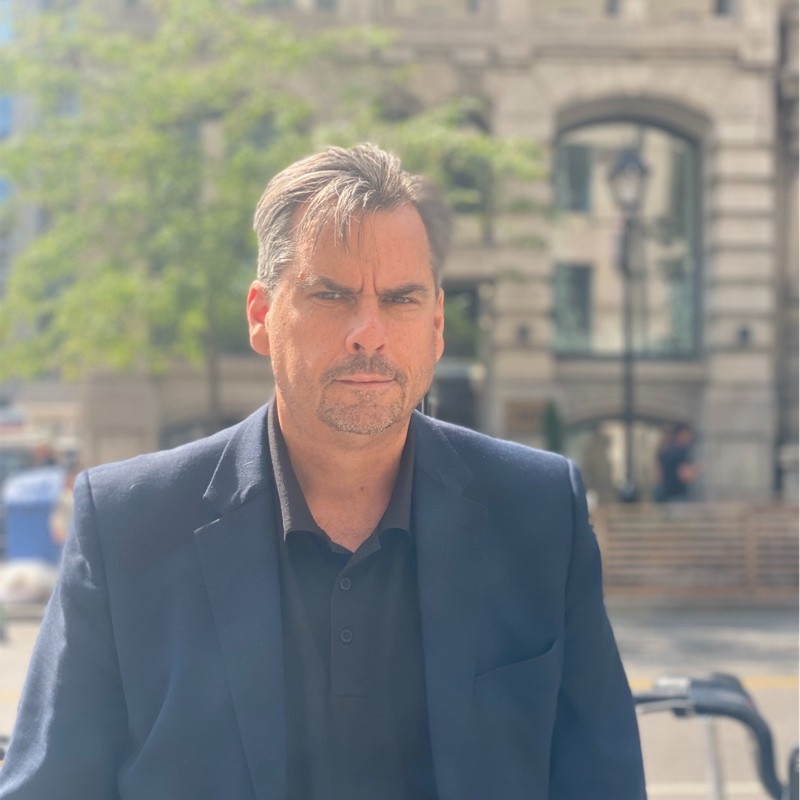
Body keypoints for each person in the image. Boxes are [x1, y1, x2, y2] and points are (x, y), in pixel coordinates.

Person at [0, 144, 646, 799]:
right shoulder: (128, 524)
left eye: (400, 299)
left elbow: (603, 781)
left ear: (437, 325)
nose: (369, 332)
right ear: (261, 316)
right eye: (330, 295)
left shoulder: (539, 511)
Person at [655, 422, 699, 502]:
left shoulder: (666, 450)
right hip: (677, 496)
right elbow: (685, 475)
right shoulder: (679, 451)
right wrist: (697, 469)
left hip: (665, 495)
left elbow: (659, 473)